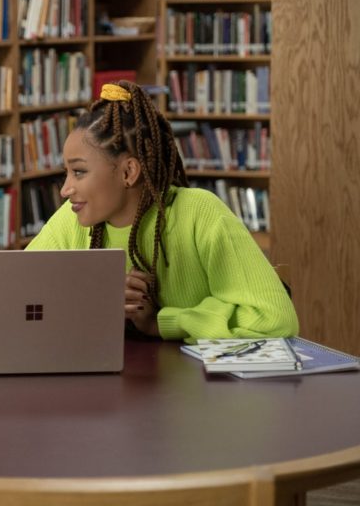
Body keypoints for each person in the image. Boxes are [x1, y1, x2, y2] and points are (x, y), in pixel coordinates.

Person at [26, 81, 298, 341]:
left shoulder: (199, 213)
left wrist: (162, 322)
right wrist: (96, 298)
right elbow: (18, 296)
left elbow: (275, 319)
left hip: (194, 387)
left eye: (79, 172)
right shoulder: (73, 218)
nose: (65, 189)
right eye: (67, 173)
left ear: (128, 172)